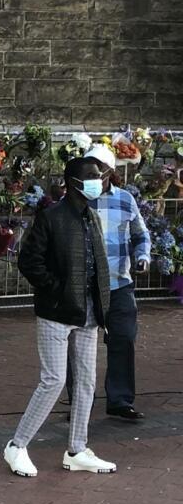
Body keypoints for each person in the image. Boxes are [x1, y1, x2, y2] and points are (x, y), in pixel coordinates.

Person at [3, 153, 114, 477]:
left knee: (86, 383)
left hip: (89, 314)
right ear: (75, 183)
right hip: (56, 313)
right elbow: (29, 261)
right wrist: (56, 289)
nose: (100, 181)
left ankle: (77, 449)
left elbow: (95, 264)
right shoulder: (51, 217)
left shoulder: (91, 217)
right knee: (53, 380)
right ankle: (17, 445)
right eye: (94, 176)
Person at [63, 145, 151, 421]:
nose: (93, 177)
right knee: (77, 345)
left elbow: (141, 234)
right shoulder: (74, 202)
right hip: (84, 288)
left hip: (118, 284)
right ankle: (79, 402)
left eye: (99, 171)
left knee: (123, 339)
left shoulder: (125, 200)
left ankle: (120, 400)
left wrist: (143, 255)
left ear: (110, 173)